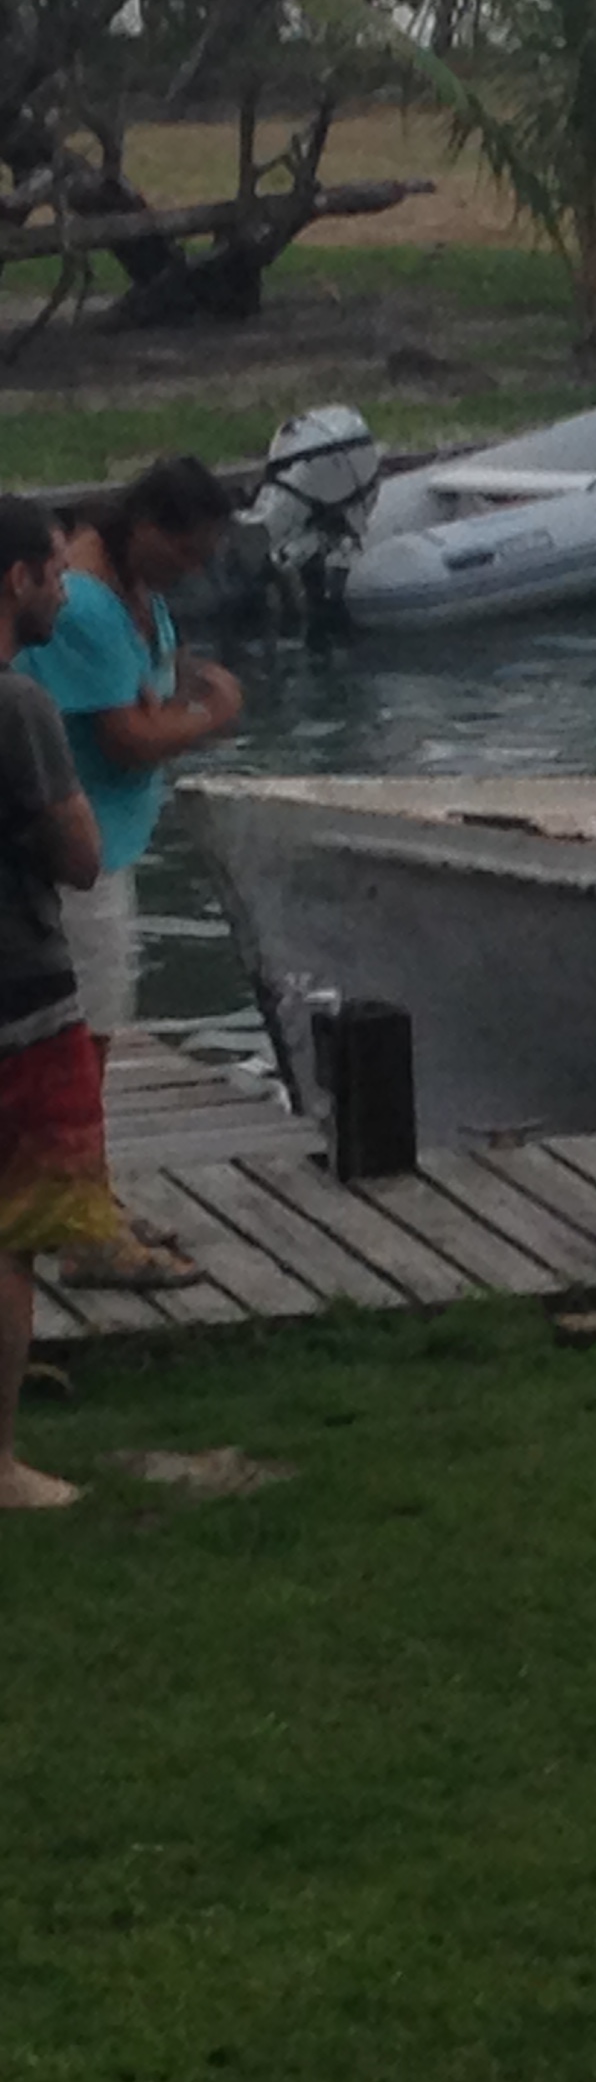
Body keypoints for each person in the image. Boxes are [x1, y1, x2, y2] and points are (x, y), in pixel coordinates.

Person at [23, 458, 241, 1289]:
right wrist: (213, 716)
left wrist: (170, 717)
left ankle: (88, 1201)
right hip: (77, 864)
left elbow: (149, 706)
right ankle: (85, 1233)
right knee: (82, 1047)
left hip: (110, 847)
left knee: (92, 1041)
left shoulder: (134, 592)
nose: (193, 569)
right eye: (186, 551)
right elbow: (128, 738)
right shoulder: (87, 605)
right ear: (148, 526)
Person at [0, 501, 124, 1508]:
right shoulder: (19, 707)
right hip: (20, 1002)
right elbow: (82, 856)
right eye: (52, 573)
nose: (63, 591)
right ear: (15, 581)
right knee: (13, 1237)